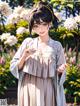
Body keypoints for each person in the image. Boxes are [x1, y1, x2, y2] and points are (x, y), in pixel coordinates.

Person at [10, 1, 66, 106]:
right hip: (28, 89)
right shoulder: (27, 42)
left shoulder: (57, 46)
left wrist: (60, 70)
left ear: (49, 24)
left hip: (48, 90)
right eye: (36, 26)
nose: (40, 29)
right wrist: (24, 56)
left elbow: (60, 74)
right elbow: (14, 67)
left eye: (44, 24)